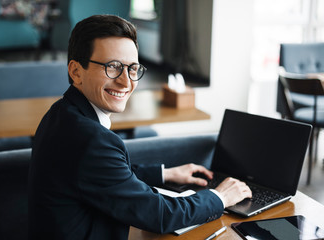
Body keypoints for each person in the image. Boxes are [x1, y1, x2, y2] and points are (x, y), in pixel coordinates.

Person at [28, 14, 252, 240]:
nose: (126, 82)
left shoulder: (61, 112)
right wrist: (220, 197)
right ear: (76, 72)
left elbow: (108, 175)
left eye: (132, 68)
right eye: (113, 67)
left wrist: (166, 174)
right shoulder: (90, 139)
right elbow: (160, 215)